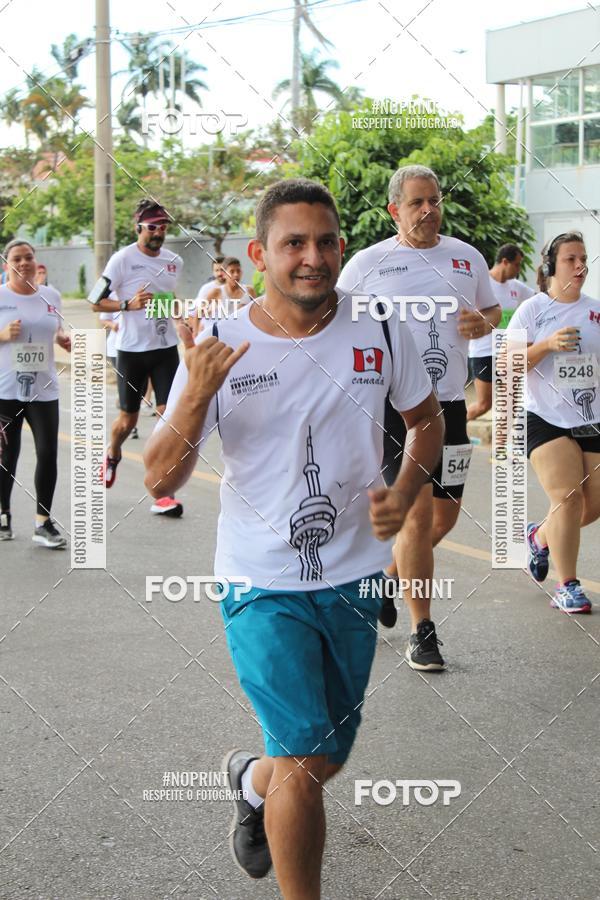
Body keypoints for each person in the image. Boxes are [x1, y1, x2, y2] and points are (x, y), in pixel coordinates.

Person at [144, 179, 444, 898]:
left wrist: (403, 496)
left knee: (324, 756)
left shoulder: (378, 328)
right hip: (260, 581)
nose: (314, 257)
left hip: (356, 575)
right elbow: (160, 474)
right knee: (308, 760)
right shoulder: (223, 341)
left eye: (326, 241)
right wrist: (194, 391)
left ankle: (250, 779)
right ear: (259, 254)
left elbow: (429, 422)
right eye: (294, 244)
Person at [338, 164, 501, 668]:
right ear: (395, 211)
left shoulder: (466, 257)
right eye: (417, 203)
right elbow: (331, 318)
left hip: (449, 405)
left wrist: (483, 320)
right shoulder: (368, 264)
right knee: (418, 513)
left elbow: (491, 312)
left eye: (434, 200)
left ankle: (387, 580)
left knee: (444, 519)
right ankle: (423, 631)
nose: (429, 210)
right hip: (395, 409)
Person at [508, 231, 600, 613]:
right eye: (571, 259)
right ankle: (568, 586)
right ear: (550, 266)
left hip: (591, 417)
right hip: (544, 417)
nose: (580, 266)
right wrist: (545, 345)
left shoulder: (596, 310)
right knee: (567, 496)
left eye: (584, 259)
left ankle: (539, 536)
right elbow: (507, 366)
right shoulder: (533, 309)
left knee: (590, 505)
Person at [91, 199, 184, 516]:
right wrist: (126, 305)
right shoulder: (121, 260)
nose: (158, 232)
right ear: (139, 228)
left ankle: (162, 490)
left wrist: (175, 312)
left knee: (166, 417)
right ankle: (113, 451)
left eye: (163, 226)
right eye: (152, 226)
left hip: (165, 348)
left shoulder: (174, 261)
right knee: (127, 420)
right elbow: (94, 302)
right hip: (131, 350)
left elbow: (166, 300)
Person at [0, 240, 71, 546]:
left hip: (44, 389)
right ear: (7, 265)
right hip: (6, 389)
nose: (24, 262)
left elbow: (53, 330)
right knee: (7, 455)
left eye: (29, 257)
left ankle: (43, 522)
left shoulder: (51, 296)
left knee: (48, 453)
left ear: (35, 261)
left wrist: (62, 340)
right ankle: (4, 518)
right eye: (17, 258)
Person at [467, 243, 534, 421]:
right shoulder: (482, 283)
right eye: (517, 264)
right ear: (505, 261)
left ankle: (504, 446)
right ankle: (451, 431)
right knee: (484, 405)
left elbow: (538, 298)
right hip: (483, 352)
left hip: (508, 353)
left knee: (509, 405)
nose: (519, 269)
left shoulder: (516, 287)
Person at [192, 257, 256, 336]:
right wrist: (195, 334)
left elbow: (257, 314)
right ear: (225, 274)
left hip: (243, 334)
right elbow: (198, 313)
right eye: (232, 271)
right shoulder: (217, 292)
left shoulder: (249, 291)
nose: (236, 274)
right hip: (223, 335)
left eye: (238, 271)